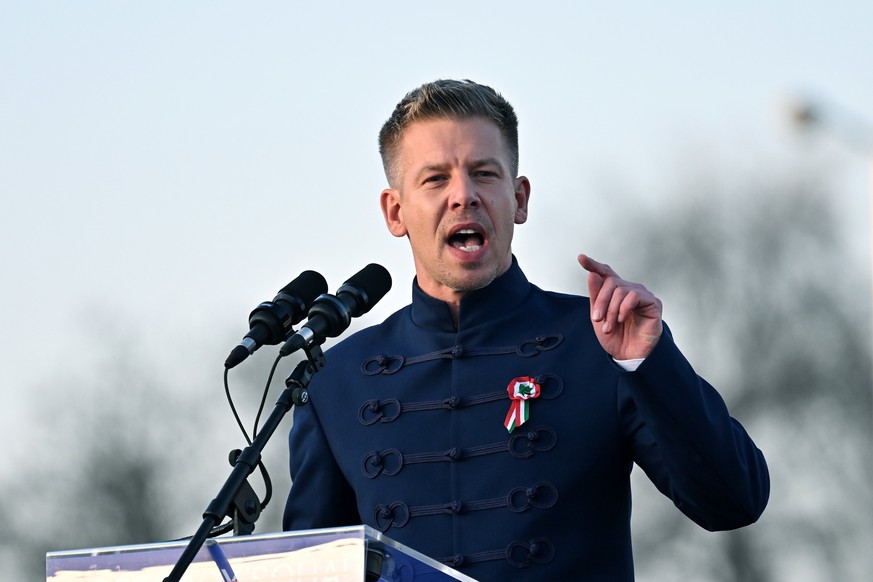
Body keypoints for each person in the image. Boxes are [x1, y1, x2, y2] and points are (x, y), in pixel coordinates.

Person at [282, 79, 769, 581]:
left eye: (484, 173)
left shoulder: (600, 342)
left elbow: (735, 502)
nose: (463, 196)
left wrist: (648, 361)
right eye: (435, 179)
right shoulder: (335, 381)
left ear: (519, 199)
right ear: (395, 211)